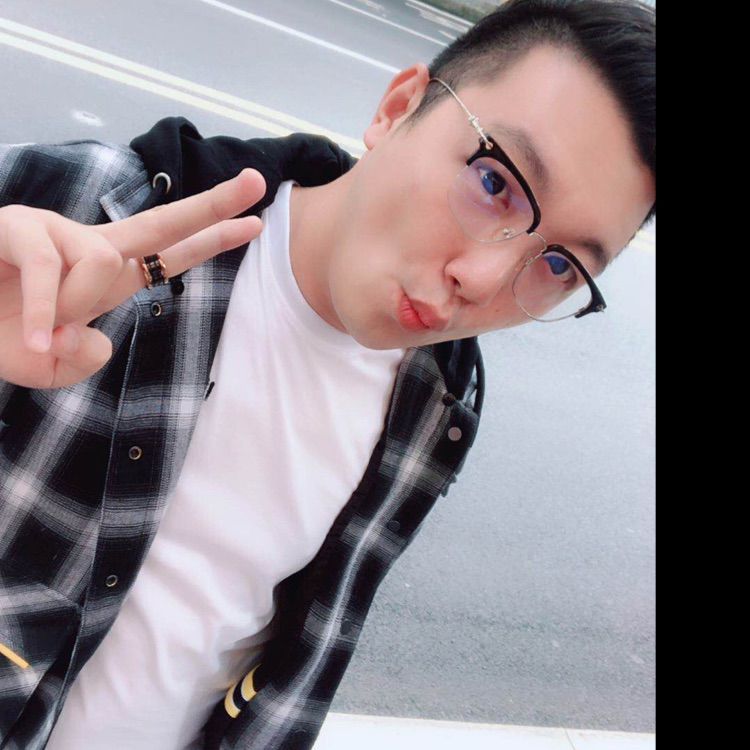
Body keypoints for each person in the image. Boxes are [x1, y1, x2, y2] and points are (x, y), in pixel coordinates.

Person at [0, 0, 656, 747]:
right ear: (398, 108)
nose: (481, 278)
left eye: (559, 266)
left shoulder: (434, 409)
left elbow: (291, 656)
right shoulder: (87, 219)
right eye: (493, 181)